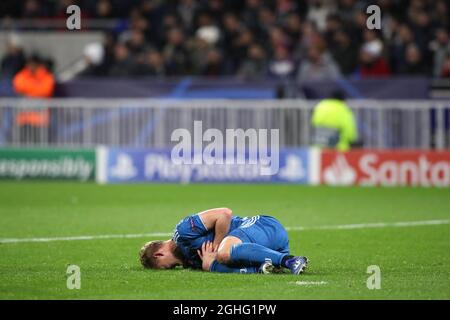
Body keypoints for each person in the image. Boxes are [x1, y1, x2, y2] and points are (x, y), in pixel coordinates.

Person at [139, 208, 308, 274]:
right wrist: (208, 264)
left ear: (158, 255)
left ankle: (290, 260)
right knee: (210, 265)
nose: (176, 266)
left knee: (222, 253)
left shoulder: (183, 232)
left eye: (169, 266)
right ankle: (262, 267)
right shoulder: (190, 259)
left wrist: (217, 244)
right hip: (267, 247)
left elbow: (224, 214)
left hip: (263, 226)